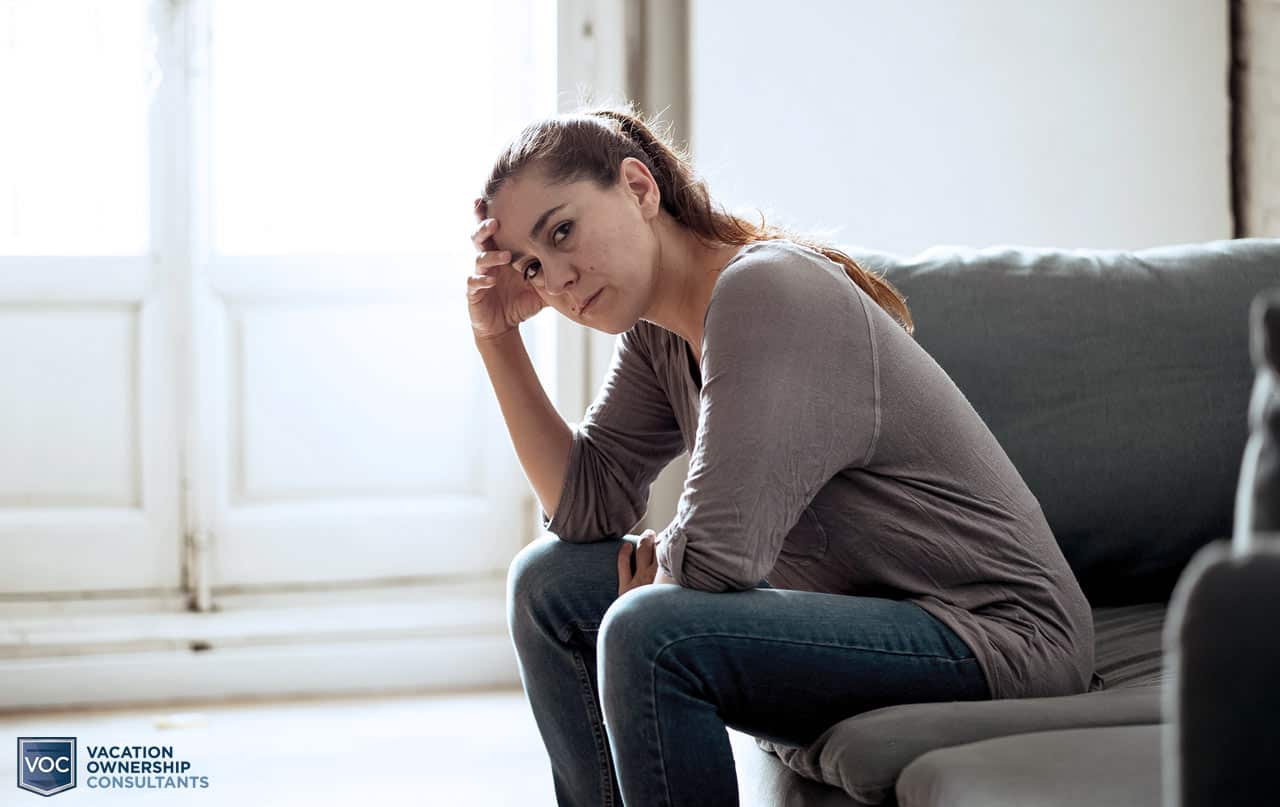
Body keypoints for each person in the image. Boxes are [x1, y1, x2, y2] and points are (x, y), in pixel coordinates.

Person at [466, 102, 1098, 807]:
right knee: (546, 583)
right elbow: (585, 504)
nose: (558, 281)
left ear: (639, 188)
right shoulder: (658, 335)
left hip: (996, 634)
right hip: (883, 619)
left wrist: (662, 571)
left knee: (652, 631)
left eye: (563, 231)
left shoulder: (763, 290)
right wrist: (497, 338)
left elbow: (716, 561)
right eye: (532, 265)